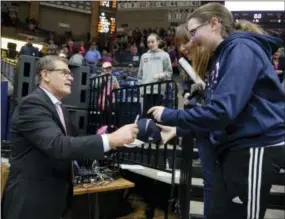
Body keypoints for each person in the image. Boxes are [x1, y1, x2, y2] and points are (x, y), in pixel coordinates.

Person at [148, 3, 285, 219]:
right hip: (239, 146)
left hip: (256, 145)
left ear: (214, 24)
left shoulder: (241, 49)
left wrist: (171, 115)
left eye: (193, 32)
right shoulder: (224, 54)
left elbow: (221, 111)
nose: (191, 40)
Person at [1, 55, 138, 219]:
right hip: (31, 203)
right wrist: (110, 139)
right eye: (64, 72)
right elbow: (59, 146)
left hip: (57, 202)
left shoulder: (61, 109)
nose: (71, 77)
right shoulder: (32, 104)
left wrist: (112, 140)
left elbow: (74, 144)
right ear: (45, 75)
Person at [174, 24, 214, 219]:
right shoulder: (186, 64)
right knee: (210, 181)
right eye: (179, 44)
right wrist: (191, 93)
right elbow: (187, 86)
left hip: (220, 130)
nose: (183, 48)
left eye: (186, 42)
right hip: (202, 124)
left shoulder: (214, 60)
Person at [137, 33, 173, 116]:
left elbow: (169, 72)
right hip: (146, 90)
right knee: (147, 115)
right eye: (148, 42)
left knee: (157, 115)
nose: (150, 44)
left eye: (152, 41)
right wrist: (141, 88)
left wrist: (162, 75)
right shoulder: (144, 56)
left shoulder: (165, 55)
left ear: (158, 42)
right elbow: (140, 75)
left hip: (159, 90)